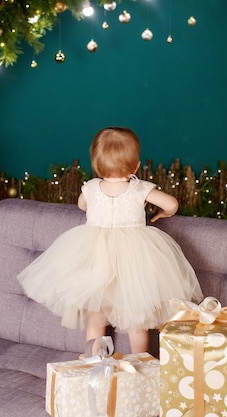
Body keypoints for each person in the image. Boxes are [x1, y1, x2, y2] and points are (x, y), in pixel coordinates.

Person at [17, 127, 203, 354]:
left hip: (96, 259)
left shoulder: (92, 188)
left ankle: (94, 361)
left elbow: (81, 205)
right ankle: (140, 363)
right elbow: (172, 204)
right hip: (134, 261)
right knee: (137, 321)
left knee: (96, 318)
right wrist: (162, 214)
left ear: (96, 165)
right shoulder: (139, 188)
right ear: (135, 166)